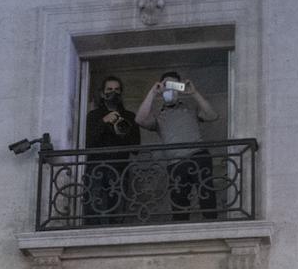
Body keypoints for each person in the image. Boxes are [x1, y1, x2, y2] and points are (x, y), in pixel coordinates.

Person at [135, 70, 219, 220]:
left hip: (198, 156)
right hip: (175, 163)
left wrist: (194, 93)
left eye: (174, 86)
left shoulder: (190, 107)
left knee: (207, 197)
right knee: (179, 205)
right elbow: (140, 119)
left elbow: (212, 115)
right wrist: (153, 93)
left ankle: (212, 224)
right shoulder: (158, 115)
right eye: (167, 85)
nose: (170, 90)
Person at [84, 76, 141, 224]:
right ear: (102, 93)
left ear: (121, 93)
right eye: (109, 89)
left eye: (117, 89)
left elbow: (136, 148)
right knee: (94, 213)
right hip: (96, 170)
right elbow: (87, 143)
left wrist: (122, 131)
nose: (113, 93)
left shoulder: (129, 116)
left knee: (118, 215)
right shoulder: (93, 116)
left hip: (120, 170)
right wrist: (104, 121)